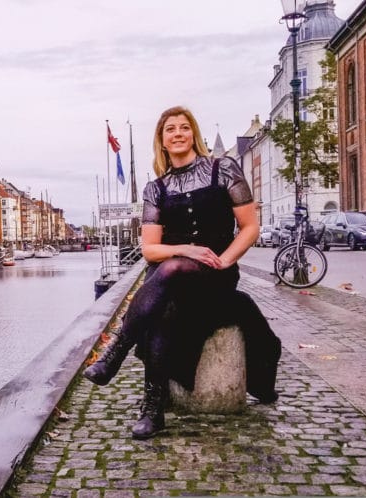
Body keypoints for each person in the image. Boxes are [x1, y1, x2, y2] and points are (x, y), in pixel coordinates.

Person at [81, 106, 281, 439]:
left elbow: (249, 228)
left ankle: (116, 353)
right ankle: (153, 411)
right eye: (170, 129)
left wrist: (226, 259)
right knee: (165, 305)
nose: (177, 133)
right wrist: (184, 249)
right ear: (161, 140)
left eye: (184, 127)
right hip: (170, 281)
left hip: (215, 277)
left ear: (194, 134)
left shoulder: (223, 170)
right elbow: (150, 250)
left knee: (169, 274)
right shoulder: (155, 189)